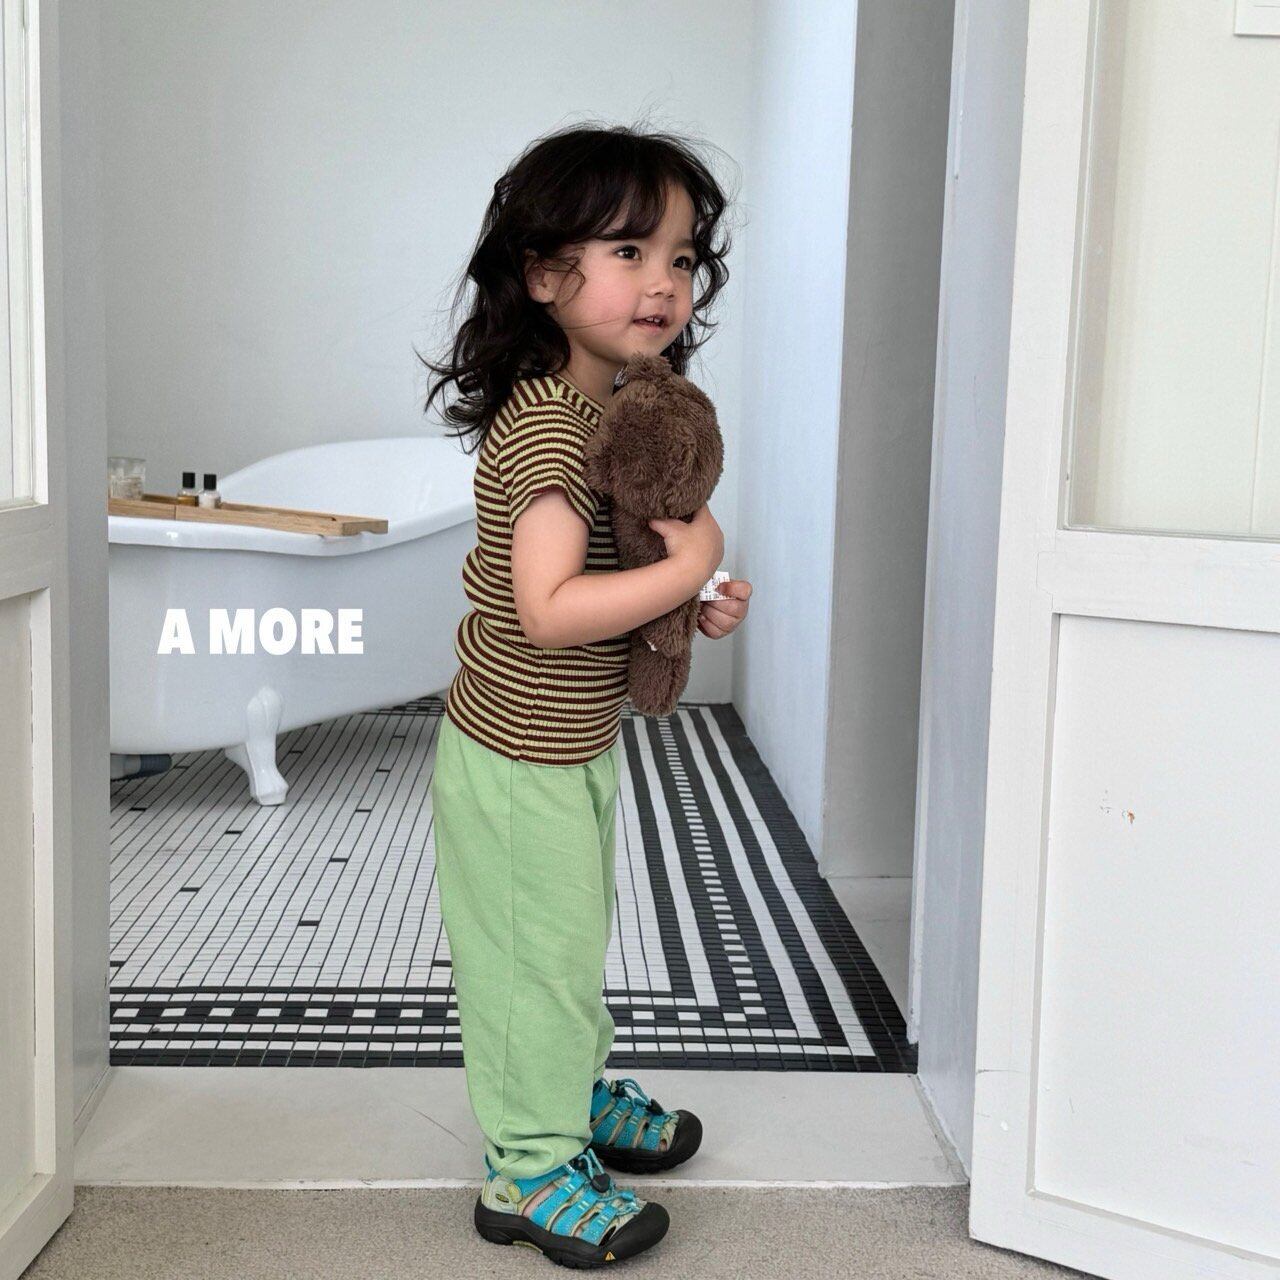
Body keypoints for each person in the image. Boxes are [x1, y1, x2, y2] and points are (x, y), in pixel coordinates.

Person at [421, 121, 753, 1268]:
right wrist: (691, 557)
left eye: (680, 256)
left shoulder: (612, 416)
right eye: (627, 251)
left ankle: (563, 1088)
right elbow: (551, 609)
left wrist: (686, 598)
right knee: (532, 960)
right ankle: (526, 1165)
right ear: (541, 275)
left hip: (563, 743)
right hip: (514, 756)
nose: (662, 281)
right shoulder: (547, 432)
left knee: (565, 942)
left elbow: (610, 581)